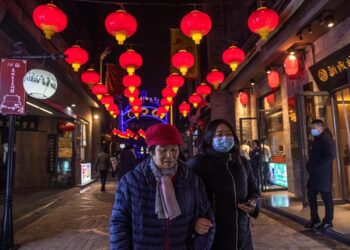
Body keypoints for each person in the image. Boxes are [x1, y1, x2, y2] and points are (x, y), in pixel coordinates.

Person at [110, 123, 215, 249]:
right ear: (151, 151)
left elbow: (208, 218)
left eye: (174, 149)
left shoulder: (191, 180)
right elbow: (119, 224)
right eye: (163, 150)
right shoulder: (131, 182)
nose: (170, 155)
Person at [187, 119, 260, 250]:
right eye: (219, 134)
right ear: (209, 138)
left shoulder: (242, 163)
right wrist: (193, 222)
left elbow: (254, 190)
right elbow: (184, 200)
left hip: (242, 237)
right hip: (211, 238)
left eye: (228, 134)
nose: (225, 138)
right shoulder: (197, 164)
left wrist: (253, 204)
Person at [305, 119, 335, 230]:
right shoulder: (316, 139)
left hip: (323, 175)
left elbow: (330, 156)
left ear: (320, 128)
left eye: (314, 128)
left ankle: (328, 221)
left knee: (326, 198)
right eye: (311, 128)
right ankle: (314, 218)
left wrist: (317, 168)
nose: (312, 130)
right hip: (314, 175)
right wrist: (309, 165)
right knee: (311, 195)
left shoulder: (326, 139)